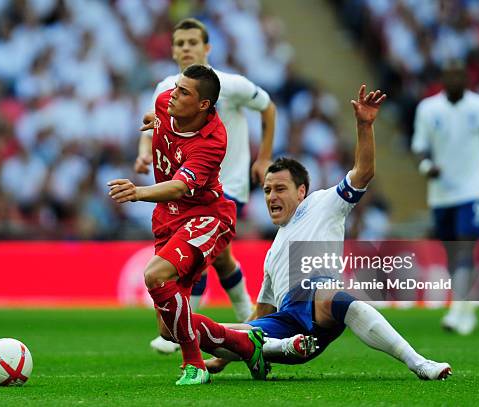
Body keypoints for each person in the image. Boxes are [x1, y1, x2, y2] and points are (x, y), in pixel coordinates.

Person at [196, 85, 452, 381]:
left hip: (320, 302)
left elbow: (363, 171)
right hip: (287, 321)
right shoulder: (273, 252)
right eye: (267, 190)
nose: (270, 197)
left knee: (331, 294)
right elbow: (261, 315)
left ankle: (418, 362)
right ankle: (281, 348)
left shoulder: (323, 202)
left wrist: (364, 125)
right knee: (215, 331)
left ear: (301, 191)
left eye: (280, 189)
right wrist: (222, 358)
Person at [108, 64, 266, 385]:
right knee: (169, 329)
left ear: (203, 105)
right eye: (176, 88)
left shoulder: (213, 140)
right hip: (168, 218)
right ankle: (244, 344)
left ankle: (195, 366)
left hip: (207, 216)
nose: (173, 95)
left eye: (183, 92)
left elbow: (181, 186)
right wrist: (153, 126)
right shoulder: (164, 103)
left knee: (154, 274)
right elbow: (158, 125)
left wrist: (138, 192)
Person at [135, 18, 277, 353]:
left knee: (199, 254)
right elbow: (154, 126)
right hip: (185, 188)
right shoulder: (165, 89)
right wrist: (143, 155)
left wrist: (264, 158)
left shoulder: (230, 85)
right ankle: (249, 321)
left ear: (207, 48)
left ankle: (184, 327)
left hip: (227, 185)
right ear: (172, 50)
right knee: (220, 257)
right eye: (180, 42)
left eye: (192, 42)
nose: (186, 48)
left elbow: (268, 108)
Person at [412, 60, 479, 335]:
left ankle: (457, 309)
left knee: (465, 244)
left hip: (474, 189)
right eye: (449, 75)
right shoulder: (428, 109)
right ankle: (466, 307)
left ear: (467, 78)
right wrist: (427, 167)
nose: (454, 79)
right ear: (442, 78)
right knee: (453, 252)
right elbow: (419, 148)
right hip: (442, 194)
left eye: (459, 75)